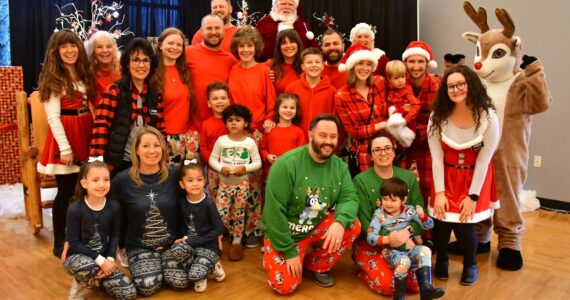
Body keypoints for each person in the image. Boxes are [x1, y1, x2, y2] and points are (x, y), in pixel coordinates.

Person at [261, 114, 361, 295]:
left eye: (333, 137)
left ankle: (315, 265)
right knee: (284, 286)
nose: (328, 141)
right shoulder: (286, 164)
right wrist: (289, 252)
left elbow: (350, 199)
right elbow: (273, 213)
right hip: (284, 232)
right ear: (310, 135)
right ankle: (281, 255)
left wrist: (339, 222)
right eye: (323, 135)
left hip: (314, 226)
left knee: (352, 225)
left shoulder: (340, 167)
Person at [428, 65, 500, 286]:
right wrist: (439, 192)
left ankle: (471, 264)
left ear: (471, 85)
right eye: (450, 86)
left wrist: (473, 196)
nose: (455, 89)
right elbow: (437, 157)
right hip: (446, 175)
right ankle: (441, 259)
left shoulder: (488, 116)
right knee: (440, 223)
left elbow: (484, 160)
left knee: (465, 225)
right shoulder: (437, 116)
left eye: (460, 84)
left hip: (474, 178)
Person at [37, 30, 95, 258]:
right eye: (64, 46)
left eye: (73, 45)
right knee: (66, 191)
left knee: (84, 189)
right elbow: (53, 117)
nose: (70, 50)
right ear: (56, 51)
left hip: (85, 130)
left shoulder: (83, 74)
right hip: (67, 135)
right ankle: (60, 239)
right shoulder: (54, 79)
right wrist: (65, 148)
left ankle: (82, 236)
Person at [111, 126, 187, 296]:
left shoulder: (176, 175)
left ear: (163, 148)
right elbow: (112, 215)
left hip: (172, 244)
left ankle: (162, 264)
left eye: (156, 145)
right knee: (147, 287)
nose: (152, 151)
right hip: (139, 246)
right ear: (136, 150)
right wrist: (117, 247)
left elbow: (191, 206)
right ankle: (150, 264)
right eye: (145, 146)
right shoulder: (122, 180)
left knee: (180, 282)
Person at [352, 132, 424, 296]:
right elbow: (363, 224)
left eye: (387, 148)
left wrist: (407, 233)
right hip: (372, 243)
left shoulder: (408, 177)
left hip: (405, 242)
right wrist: (391, 239)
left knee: (417, 284)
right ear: (370, 155)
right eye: (377, 150)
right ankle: (364, 271)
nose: (383, 153)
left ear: (394, 150)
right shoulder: (361, 181)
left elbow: (420, 215)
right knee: (388, 286)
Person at [89, 37, 166, 175]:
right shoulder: (115, 91)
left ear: (151, 64)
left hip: (146, 163)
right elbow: (101, 127)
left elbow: (160, 131)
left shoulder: (155, 95)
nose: (141, 65)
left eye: (145, 60)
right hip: (119, 164)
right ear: (127, 65)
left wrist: (163, 159)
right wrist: (97, 163)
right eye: (136, 60)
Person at [63, 159, 137, 300]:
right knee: (86, 265)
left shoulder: (114, 206)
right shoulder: (75, 209)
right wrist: (101, 261)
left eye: (106, 179)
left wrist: (109, 259)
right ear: (85, 183)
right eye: (95, 180)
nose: (102, 184)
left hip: (103, 259)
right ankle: (81, 281)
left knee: (129, 293)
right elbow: (74, 242)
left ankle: (97, 280)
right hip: (78, 258)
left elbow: (115, 236)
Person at [367, 177, 444, 300]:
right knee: (404, 262)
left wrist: (423, 216)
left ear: (404, 200)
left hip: (410, 248)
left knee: (425, 250)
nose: (388, 203)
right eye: (385, 199)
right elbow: (370, 237)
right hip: (391, 251)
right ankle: (399, 296)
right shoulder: (379, 214)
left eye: (393, 200)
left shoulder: (410, 211)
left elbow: (429, 225)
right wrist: (387, 239)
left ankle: (426, 290)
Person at [209, 104, 262, 261]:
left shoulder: (250, 143)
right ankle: (216, 241)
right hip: (224, 185)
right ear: (225, 123)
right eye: (230, 120)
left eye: (238, 120)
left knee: (238, 214)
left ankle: (237, 242)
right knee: (220, 214)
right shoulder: (221, 141)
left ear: (245, 123)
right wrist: (220, 167)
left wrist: (245, 168)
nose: (233, 123)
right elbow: (212, 159)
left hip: (242, 185)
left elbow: (257, 163)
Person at [169, 158, 226, 293]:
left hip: (209, 247)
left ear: (204, 181)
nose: (195, 184)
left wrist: (195, 241)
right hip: (191, 245)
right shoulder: (182, 202)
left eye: (199, 180)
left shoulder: (208, 204)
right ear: (182, 184)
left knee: (194, 275)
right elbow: (182, 223)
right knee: (176, 249)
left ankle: (211, 267)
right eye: (190, 180)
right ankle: (206, 269)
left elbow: (219, 228)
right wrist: (182, 238)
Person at [334, 43, 387, 173]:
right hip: (364, 154)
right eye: (360, 63)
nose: (365, 68)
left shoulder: (380, 82)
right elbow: (353, 131)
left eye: (369, 64)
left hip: (388, 148)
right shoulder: (342, 95)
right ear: (352, 66)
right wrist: (380, 126)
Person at [401, 41, 441, 200]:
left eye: (420, 61)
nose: (416, 66)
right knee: (404, 188)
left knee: (429, 188)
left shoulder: (438, 87)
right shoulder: (398, 85)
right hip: (404, 147)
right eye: (411, 61)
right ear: (405, 63)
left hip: (429, 146)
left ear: (427, 63)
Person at [185, 14, 238, 132]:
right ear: (201, 31)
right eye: (209, 28)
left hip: (222, 130)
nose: (214, 32)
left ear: (223, 30)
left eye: (217, 28)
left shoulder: (230, 60)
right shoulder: (187, 54)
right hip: (192, 129)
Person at [155, 27, 197, 164]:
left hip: (187, 138)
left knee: (184, 182)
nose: (175, 47)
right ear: (161, 45)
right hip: (163, 138)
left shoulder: (184, 72)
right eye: (171, 43)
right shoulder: (152, 73)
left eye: (179, 45)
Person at [285, 47, 337, 134]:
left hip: (321, 141)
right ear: (303, 67)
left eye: (317, 62)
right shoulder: (291, 88)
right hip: (297, 142)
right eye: (309, 62)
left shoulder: (332, 91)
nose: (314, 65)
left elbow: (335, 120)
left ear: (323, 66)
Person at [259, 93, 306, 177]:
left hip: (291, 174)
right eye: (285, 107)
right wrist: (267, 156)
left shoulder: (299, 132)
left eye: (292, 108)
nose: (288, 110)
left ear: (296, 110)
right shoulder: (269, 129)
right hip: (272, 173)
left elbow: (301, 154)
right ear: (277, 108)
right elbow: (263, 148)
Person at [200, 82, 230, 198]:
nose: (220, 101)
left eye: (223, 98)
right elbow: (203, 147)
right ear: (209, 103)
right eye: (215, 99)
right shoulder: (206, 124)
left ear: (229, 101)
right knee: (215, 199)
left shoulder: (234, 122)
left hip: (233, 170)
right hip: (214, 170)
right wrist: (215, 163)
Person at [384, 60, 420, 148]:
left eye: (403, 77)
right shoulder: (389, 90)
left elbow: (416, 105)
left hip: (406, 124)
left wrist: (406, 120)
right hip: (394, 123)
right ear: (389, 79)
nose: (401, 81)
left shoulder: (406, 91)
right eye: (396, 78)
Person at [84, 31, 121, 108]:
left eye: (109, 46)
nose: (104, 50)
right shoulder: (88, 74)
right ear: (93, 51)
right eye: (99, 47)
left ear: (114, 49)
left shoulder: (124, 70)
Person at [269, 29, 304, 96]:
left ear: (298, 44)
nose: (288, 46)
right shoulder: (271, 65)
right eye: (284, 43)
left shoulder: (306, 65)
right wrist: (265, 74)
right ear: (279, 47)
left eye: (292, 42)